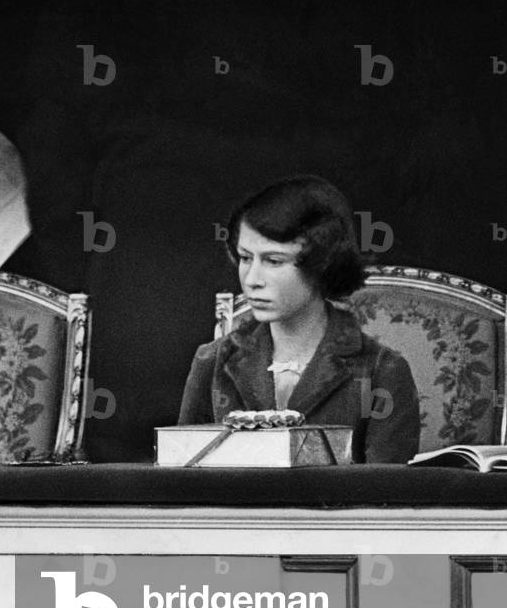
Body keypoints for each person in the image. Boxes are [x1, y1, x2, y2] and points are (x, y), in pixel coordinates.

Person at [177, 175, 420, 463]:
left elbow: (388, 495)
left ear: (321, 264)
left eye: (274, 261)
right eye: (245, 258)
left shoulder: (382, 370)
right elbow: (185, 480)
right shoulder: (213, 362)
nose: (252, 279)